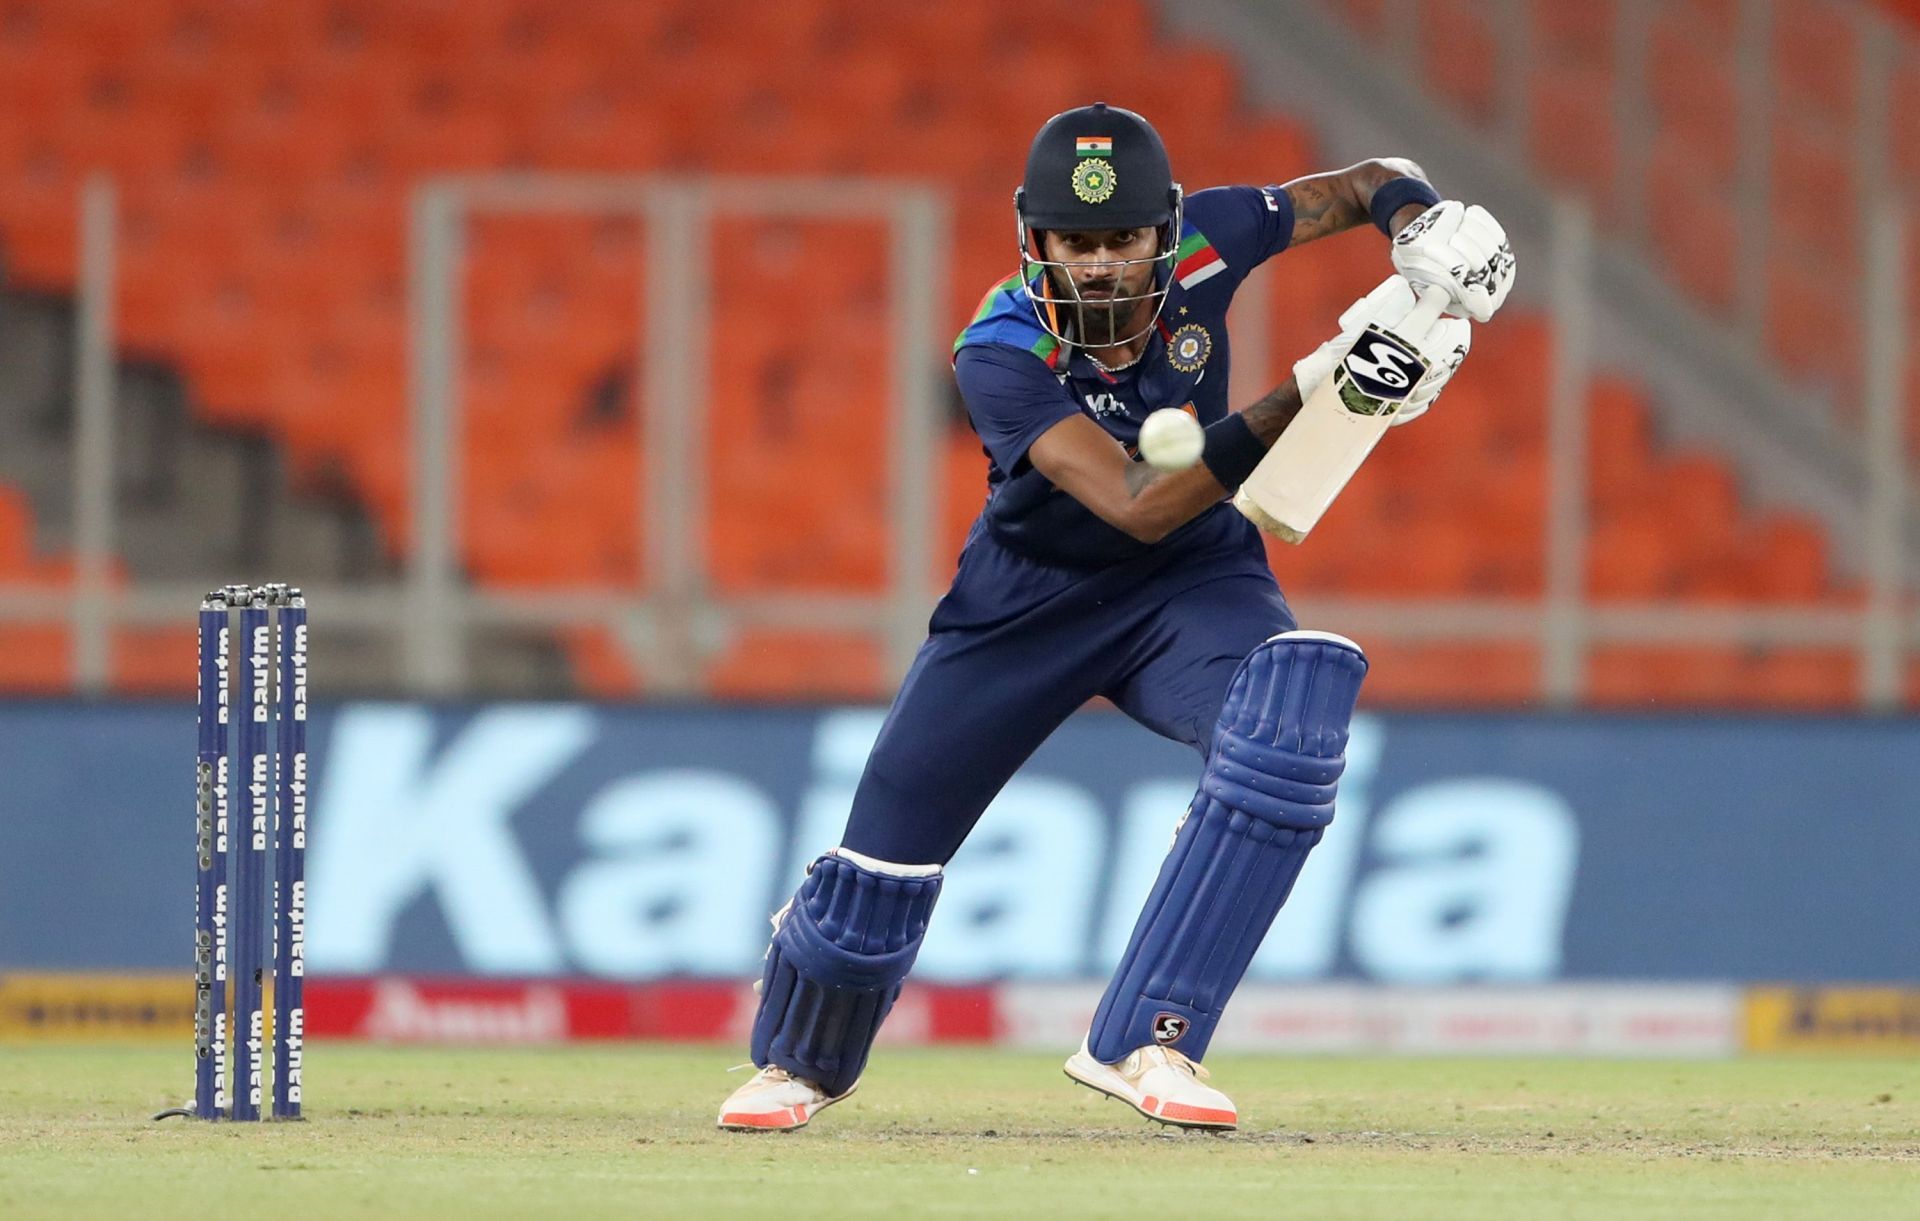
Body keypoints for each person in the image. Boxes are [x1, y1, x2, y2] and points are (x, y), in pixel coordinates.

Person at [718, 103, 1514, 1132]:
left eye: (1122, 239)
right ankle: (798, 1064)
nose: (1098, 266)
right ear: (1033, 238)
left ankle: (1151, 1039)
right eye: (1075, 242)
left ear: (1164, 229)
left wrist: (1422, 228)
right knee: (884, 863)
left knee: (1292, 715)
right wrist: (1321, 386)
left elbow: (1368, 180)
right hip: (1024, 604)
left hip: (1194, 585)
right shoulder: (997, 349)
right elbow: (1139, 502)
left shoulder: (1211, 243)